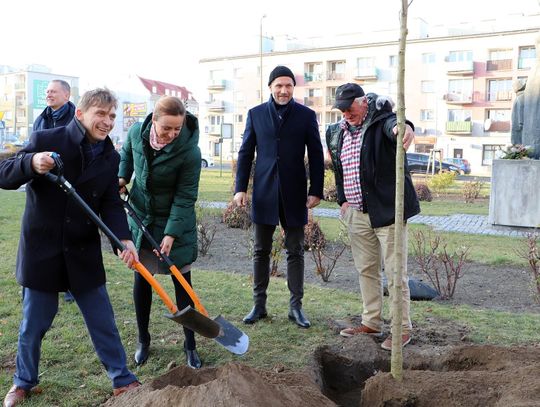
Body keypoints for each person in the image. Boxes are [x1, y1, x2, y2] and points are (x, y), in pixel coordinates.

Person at [0, 88, 141, 406]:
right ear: (81, 113)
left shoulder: (110, 156)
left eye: (112, 116)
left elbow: (110, 204)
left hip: (82, 251)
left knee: (102, 319)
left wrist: (124, 240)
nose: (107, 122)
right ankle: (23, 382)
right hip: (42, 249)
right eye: (100, 114)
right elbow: (4, 174)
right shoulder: (46, 139)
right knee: (33, 324)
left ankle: (122, 379)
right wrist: (31, 163)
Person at [325, 83, 420, 351]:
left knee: (394, 273)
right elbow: (339, 170)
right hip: (356, 213)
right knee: (366, 270)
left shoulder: (380, 121)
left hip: (387, 211)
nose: (345, 113)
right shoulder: (337, 133)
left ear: (363, 101)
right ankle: (371, 322)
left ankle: (402, 329)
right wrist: (342, 200)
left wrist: (404, 128)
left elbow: (396, 124)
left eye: (349, 107)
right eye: (341, 109)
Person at [233, 65, 324, 329]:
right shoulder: (256, 114)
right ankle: (259, 305)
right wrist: (241, 188)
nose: (283, 90)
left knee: (295, 251)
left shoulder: (306, 116)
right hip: (264, 192)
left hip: (295, 194)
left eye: (288, 86)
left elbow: (316, 154)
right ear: (271, 87)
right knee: (260, 251)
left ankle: (296, 307)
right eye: (279, 86)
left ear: (293, 88)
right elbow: (245, 153)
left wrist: (316, 189)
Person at [118, 96, 203, 369]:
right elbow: (127, 155)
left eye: (177, 129)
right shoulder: (135, 133)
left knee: (182, 283)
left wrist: (171, 234)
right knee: (143, 280)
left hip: (176, 222)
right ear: (153, 120)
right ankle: (144, 340)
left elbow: (185, 195)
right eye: (166, 128)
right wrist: (122, 177)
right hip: (142, 217)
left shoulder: (190, 152)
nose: (172, 134)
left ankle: (190, 344)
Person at [33, 79, 77, 303]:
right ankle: (51, 282)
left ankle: (71, 286)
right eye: (47, 91)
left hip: (70, 186)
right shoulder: (41, 119)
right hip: (46, 186)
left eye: (53, 91)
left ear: (66, 96)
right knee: (50, 238)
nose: (48, 95)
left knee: (69, 238)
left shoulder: (76, 119)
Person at [511, 79, 526, 145]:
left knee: (517, 140)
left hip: (517, 124)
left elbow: (521, 109)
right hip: (516, 123)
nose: (513, 88)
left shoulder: (521, 97)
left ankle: (518, 149)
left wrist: (520, 122)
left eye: (514, 86)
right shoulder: (520, 96)